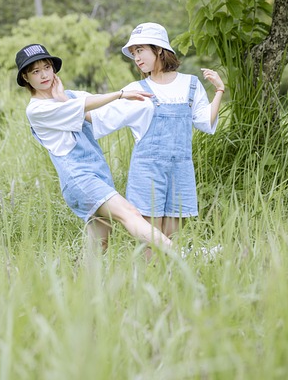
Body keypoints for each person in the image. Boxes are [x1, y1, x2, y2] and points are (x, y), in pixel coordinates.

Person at [15, 42, 173, 254]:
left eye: (47, 67)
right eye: (35, 71)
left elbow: (96, 108)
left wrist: (63, 97)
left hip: (98, 174)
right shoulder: (37, 109)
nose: (44, 75)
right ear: (26, 78)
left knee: (99, 245)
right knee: (130, 214)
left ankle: (79, 285)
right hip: (80, 179)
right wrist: (120, 93)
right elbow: (83, 106)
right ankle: (186, 255)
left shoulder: (68, 95)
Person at [90, 22, 225, 242]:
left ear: (159, 49)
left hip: (180, 170)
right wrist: (68, 109)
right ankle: (146, 277)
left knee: (174, 239)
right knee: (151, 241)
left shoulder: (190, 84)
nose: (137, 58)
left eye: (140, 50)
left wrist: (219, 90)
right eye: (133, 53)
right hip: (147, 172)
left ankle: (171, 278)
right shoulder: (137, 90)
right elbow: (103, 118)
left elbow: (204, 122)